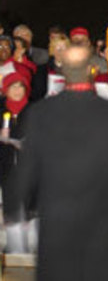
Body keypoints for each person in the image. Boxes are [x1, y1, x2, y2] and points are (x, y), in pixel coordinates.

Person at [15, 45, 108, 281]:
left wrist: (18, 206)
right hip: (104, 221)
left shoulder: (41, 113)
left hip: (58, 221)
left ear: (61, 71)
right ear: (91, 70)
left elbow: (28, 166)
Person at [0, 72, 31, 253]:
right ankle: (14, 247)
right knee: (11, 210)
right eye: (13, 86)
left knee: (30, 208)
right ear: (6, 89)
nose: (17, 90)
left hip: (29, 167)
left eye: (21, 86)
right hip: (6, 167)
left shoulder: (34, 110)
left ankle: (30, 246)